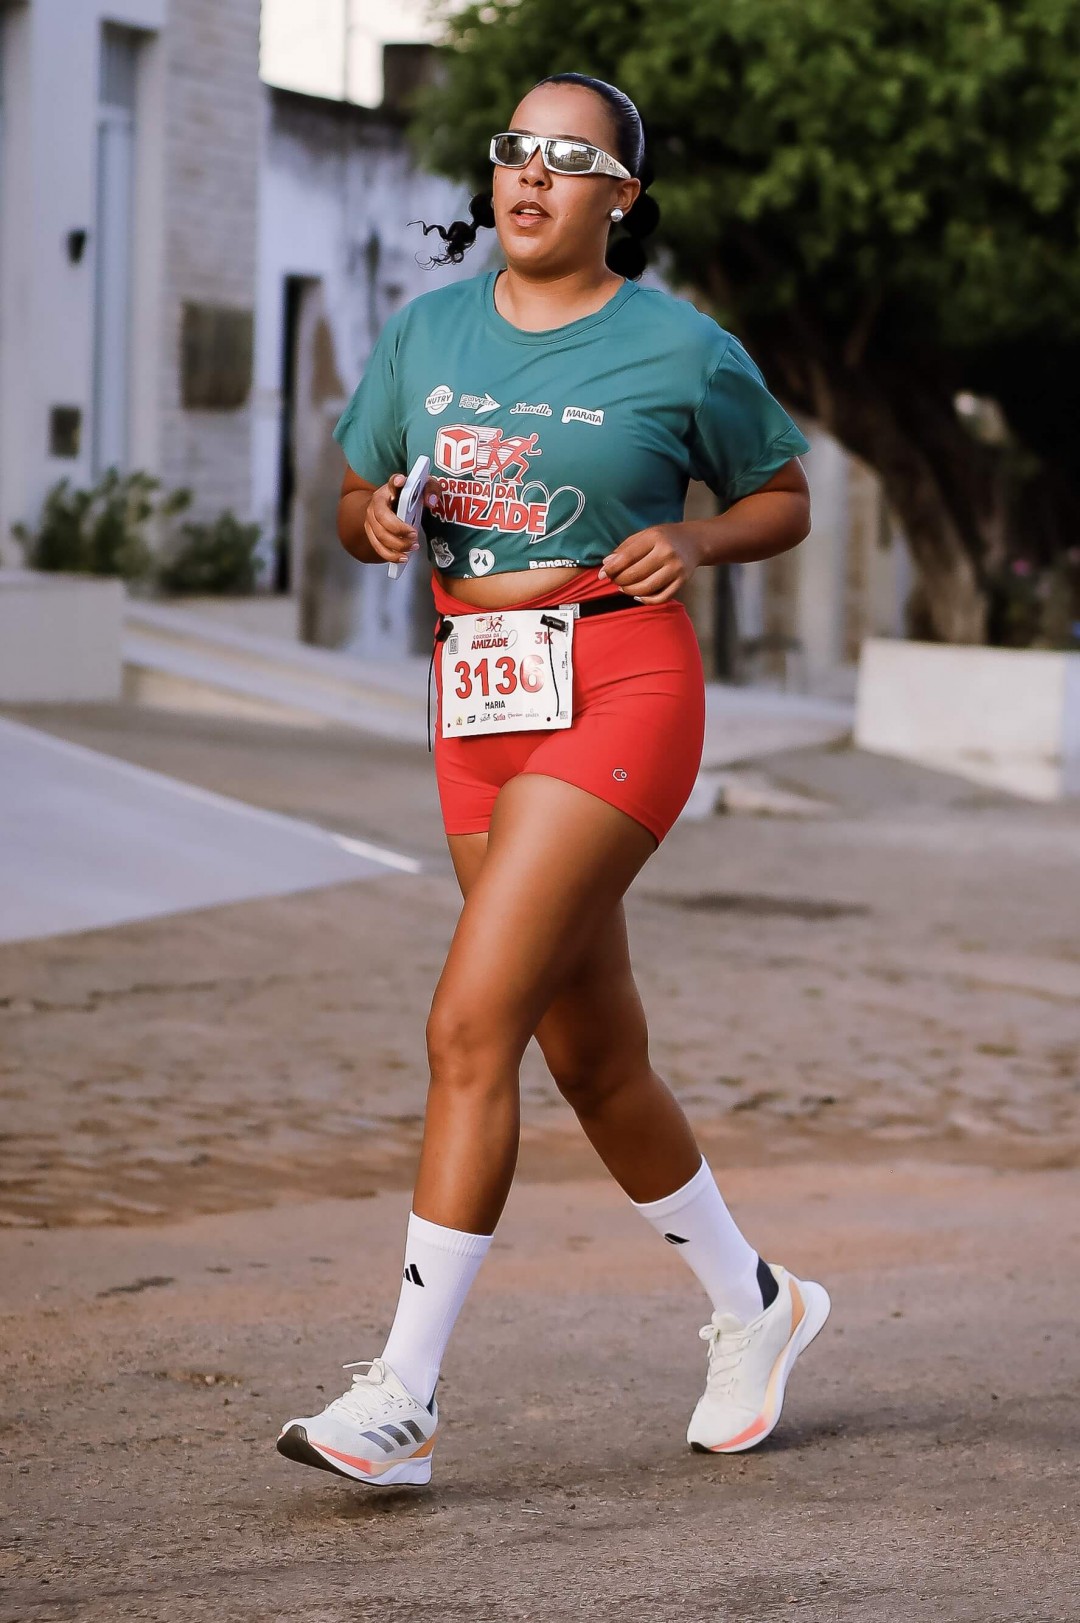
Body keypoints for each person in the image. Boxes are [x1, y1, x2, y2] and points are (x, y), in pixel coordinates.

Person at [276, 72, 830, 1489]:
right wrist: (374, 524)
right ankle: (756, 1304)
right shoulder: (427, 332)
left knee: (471, 1022)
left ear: (619, 198)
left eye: (567, 158)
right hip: (476, 698)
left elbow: (782, 497)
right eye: (515, 149)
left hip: (620, 685)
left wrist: (697, 542)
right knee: (591, 1056)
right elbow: (349, 500)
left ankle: (402, 1396)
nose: (530, 175)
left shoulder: (682, 348)